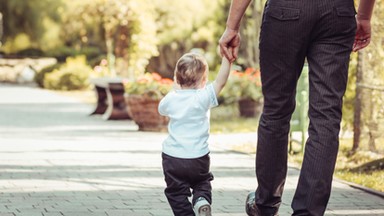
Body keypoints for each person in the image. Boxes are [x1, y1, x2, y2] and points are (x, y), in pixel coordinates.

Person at [219, 0, 375, 215]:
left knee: (276, 111)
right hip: (337, 13)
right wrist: (365, 16)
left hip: (286, 11)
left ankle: (265, 204)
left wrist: (232, 27)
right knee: (326, 117)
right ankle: (308, 211)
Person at [158, 52, 231, 216]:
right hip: (198, 157)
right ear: (204, 80)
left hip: (173, 157)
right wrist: (227, 59)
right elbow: (221, 81)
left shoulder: (171, 98)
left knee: (176, 193)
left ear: (176, 78)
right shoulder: (203, 97)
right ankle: (201, 200)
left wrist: (174, 89)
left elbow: (161, 109)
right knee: (201, 182)